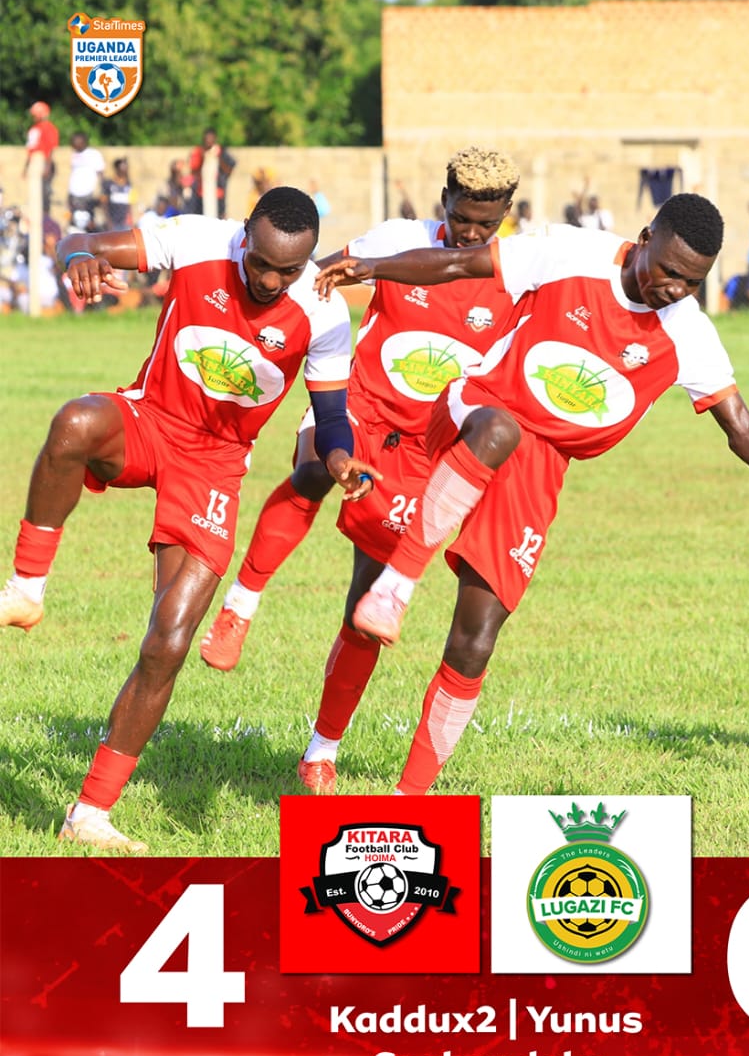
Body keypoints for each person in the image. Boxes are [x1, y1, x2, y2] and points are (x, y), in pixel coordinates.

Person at [317, 193, 749, 797]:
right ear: (645, 237)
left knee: (476, 637)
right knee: (498, 435)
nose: (675, 288)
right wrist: (372, 268)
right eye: (670, 270)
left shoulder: (688, 333)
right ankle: (396, 586)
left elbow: (742, 428)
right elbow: (458, 263)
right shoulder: (571, 253)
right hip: (477, 410)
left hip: (540, 467)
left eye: (692, 282)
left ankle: (409, 801)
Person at [0, 187, 371, 851]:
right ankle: (27, 588)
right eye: (260, 263)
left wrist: (340, 458)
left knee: (168, 641)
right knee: (74, 421)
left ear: (309, 260)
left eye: (288, 270)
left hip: (216, 466)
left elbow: (333, 415)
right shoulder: (199, 239)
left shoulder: (324, 310)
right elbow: (79, 242)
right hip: (148, 421)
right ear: (244, 237)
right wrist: (78, 259)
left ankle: (89, 814)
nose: (270, 281)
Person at [200, 147, 521, 796]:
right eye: (461, 217)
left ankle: (321, 752)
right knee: (317, 465)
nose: (470, 233)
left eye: (485, 225)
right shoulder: (397, 240)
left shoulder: (519, 274)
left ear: (505, 216)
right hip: (355, 411)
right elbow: (313, 280)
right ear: (444, 200)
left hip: (422, 454)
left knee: (364, 610)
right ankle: (238, 607)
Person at [187, 128, 236, 217]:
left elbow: (229, 171)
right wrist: (202, 158)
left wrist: (218, 157)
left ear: (215, 139)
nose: (209, 141)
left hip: (218, 194)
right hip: (200, 194)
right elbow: (193, 172)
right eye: (207, 139)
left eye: (211, 138)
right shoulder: (198, 152)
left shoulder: (221, 151)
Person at [23, 102, 59, 214]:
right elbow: (31, 149)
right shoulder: (34, 128)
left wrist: (47, 166)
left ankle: (45, 217)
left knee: (44, 192)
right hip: (34, 161)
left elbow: (50, 148)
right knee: (34, 193)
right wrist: (26, 167)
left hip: (43, 161)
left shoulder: (48, 128)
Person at [67, 131, 105, 227]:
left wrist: (101, 190)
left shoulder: (93, 154)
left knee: (89, 221)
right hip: (74, 194)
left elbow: (100, 173)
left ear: (83, 141)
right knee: (74, 221)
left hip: (88, 194)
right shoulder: (74, 155)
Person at [102, 157, 135, 232]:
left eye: (126, 168)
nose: (124, 170)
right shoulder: (109, 184)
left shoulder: (129, 185)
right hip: (113, 223)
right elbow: (104, 204)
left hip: (125, 223)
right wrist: (108, 221)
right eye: (122, 167)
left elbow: (130, 205)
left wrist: (131, 221)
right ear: (117, 168)